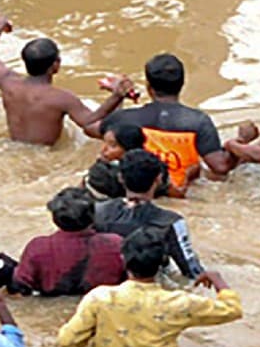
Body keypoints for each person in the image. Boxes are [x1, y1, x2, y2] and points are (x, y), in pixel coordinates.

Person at [56, 227, 242, 347]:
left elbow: (66, 340)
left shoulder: (100, 298)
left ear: (123, 259)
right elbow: (233, 311)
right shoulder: (179, 303)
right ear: (162, 263)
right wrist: (218, 280)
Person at [0, 15, 133, 146]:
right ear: (56, 65)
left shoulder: (8, 83)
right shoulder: (62, 98)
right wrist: (117, 95)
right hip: (46, 156)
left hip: (12, 147)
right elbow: (88, 121)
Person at [99, 53, 236, 189]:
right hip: (182, 190)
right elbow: (220, 167)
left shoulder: (127, 119)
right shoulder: (198, 121)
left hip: (142, 187)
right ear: (182, 84)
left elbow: (93, 126)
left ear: (149, 87)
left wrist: (117, 96)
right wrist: (238, 145)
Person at [94, 149, 206, 279]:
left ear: (120, 178)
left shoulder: (98, 211)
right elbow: (192, 270)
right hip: (151, 283)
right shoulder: (171, 222)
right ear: (158, 178)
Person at [11, 187, 126, 296]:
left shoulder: (38, 247)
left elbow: (21, 286)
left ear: (55, 219)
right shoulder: (115, 244)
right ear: (93, 216)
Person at [84, 122, 182, 199]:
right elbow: (177, 194)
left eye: (112, 145)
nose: (103, 150)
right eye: (104, 143)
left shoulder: (101, 174)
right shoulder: (154, 169)